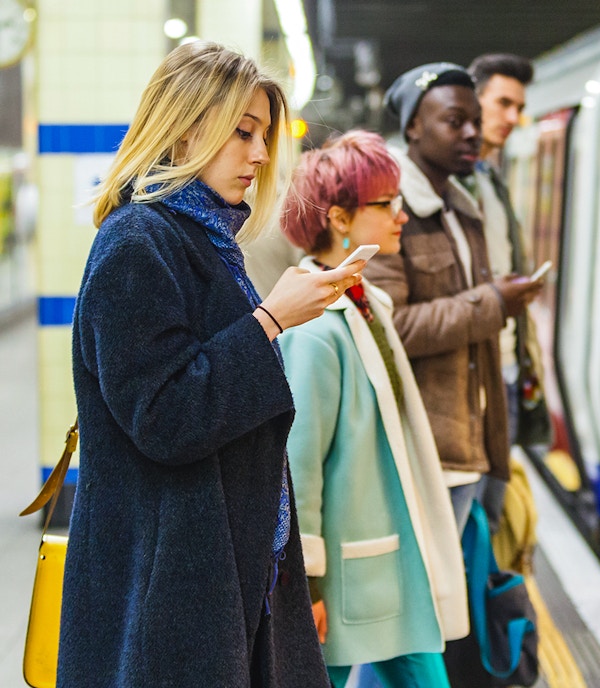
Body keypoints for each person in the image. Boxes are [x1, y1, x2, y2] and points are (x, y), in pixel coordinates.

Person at [61, 41, 361, 687]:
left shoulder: (199, 238)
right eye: (242, 132)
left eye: (262, 136)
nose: (258, 155)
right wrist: (272, 319)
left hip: (218, 566)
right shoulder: (137, 244)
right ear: (187, 127)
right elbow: (165, 418)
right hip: (170, 582)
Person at [278, 130, 468, 688]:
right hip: (346, 574)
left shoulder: (364, 301)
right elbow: (299, 462)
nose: (401, 215)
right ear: (338, 219)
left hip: (380, 561)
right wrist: (307, 582)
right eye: (385, 204)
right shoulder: (315, 332)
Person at [362, 62, 542, 531]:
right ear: (414, 127)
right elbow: (388, 328)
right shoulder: (388, 210)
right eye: (454, 121)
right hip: (428, 453)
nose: (471, 133)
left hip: (474, 441)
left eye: (475, 122)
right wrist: (495, 304)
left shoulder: (463, 210)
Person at [463, 53, 550, 531]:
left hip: (507, 369)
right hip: (475, 378)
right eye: (503, 103)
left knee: (490, 518)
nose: (513, 118)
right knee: (474, 522)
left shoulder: (491, 179)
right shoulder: (448, 185)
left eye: (519, 107)